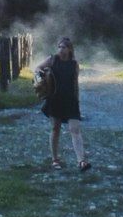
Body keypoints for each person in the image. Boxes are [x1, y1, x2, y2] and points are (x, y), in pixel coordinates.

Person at [34, 36, 90, 171]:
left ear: (70, 49)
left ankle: (81, 161)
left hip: (70, 100)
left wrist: (77, 101)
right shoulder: (52, 59)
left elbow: (75, 84)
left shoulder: (74, 64)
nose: (60, 49)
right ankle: (55, 160)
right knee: (55, 129)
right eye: (59, 47)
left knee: (75, 129)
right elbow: (37, 68)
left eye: (63, 47)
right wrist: (41, 78)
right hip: (55, 99)